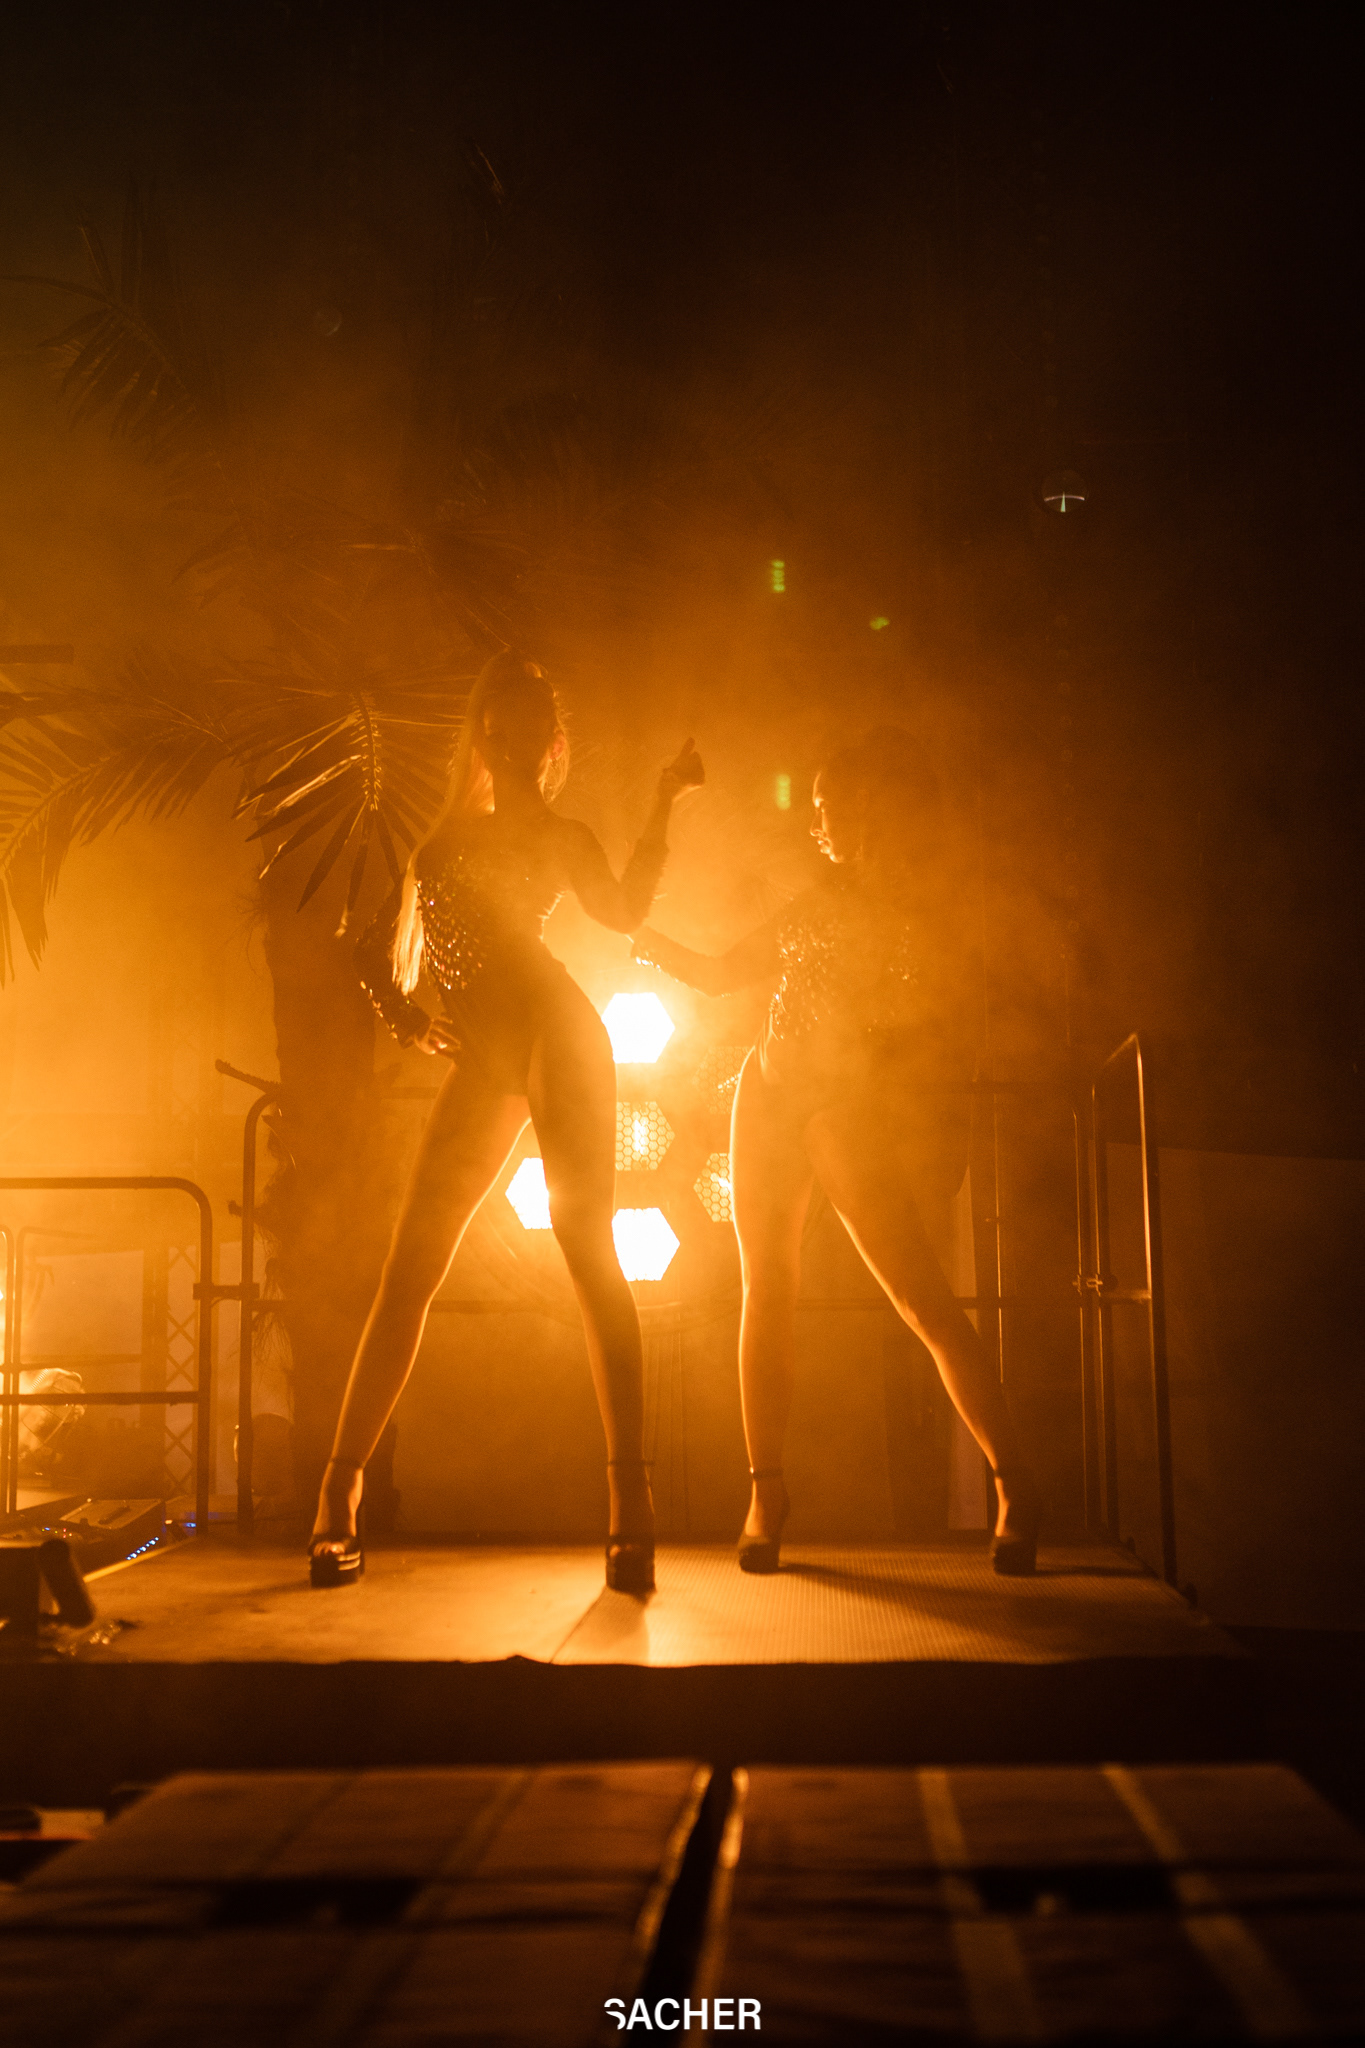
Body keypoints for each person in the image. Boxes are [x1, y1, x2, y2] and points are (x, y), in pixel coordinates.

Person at [308, 652, 704, 1594]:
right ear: (482, 737)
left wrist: (663, 802)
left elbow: (620, 909)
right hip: (488, 1056)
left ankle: (630, 1501)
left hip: (558, 1034)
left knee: (588, 1251)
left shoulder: (557, 835)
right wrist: (409, 1022)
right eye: (500, 724)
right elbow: (370, 954)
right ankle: (337, 1495)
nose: (515, 740)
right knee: (409, 1272)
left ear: (551, 743)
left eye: (531, 726)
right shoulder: (444, 843)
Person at [631, 727, 1042, 1575]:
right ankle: (765, 1493)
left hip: (842, 1104)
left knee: (919, 1298)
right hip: (766, 1090)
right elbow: (721, 973)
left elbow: (930, 1036)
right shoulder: (820, 898)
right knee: (764, 1290)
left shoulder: (922, 911)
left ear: (876, 808)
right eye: (817, 807)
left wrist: (908, 1112)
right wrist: (640, 936)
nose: (819, 821)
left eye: (831, 805)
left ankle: (1014, 1483)